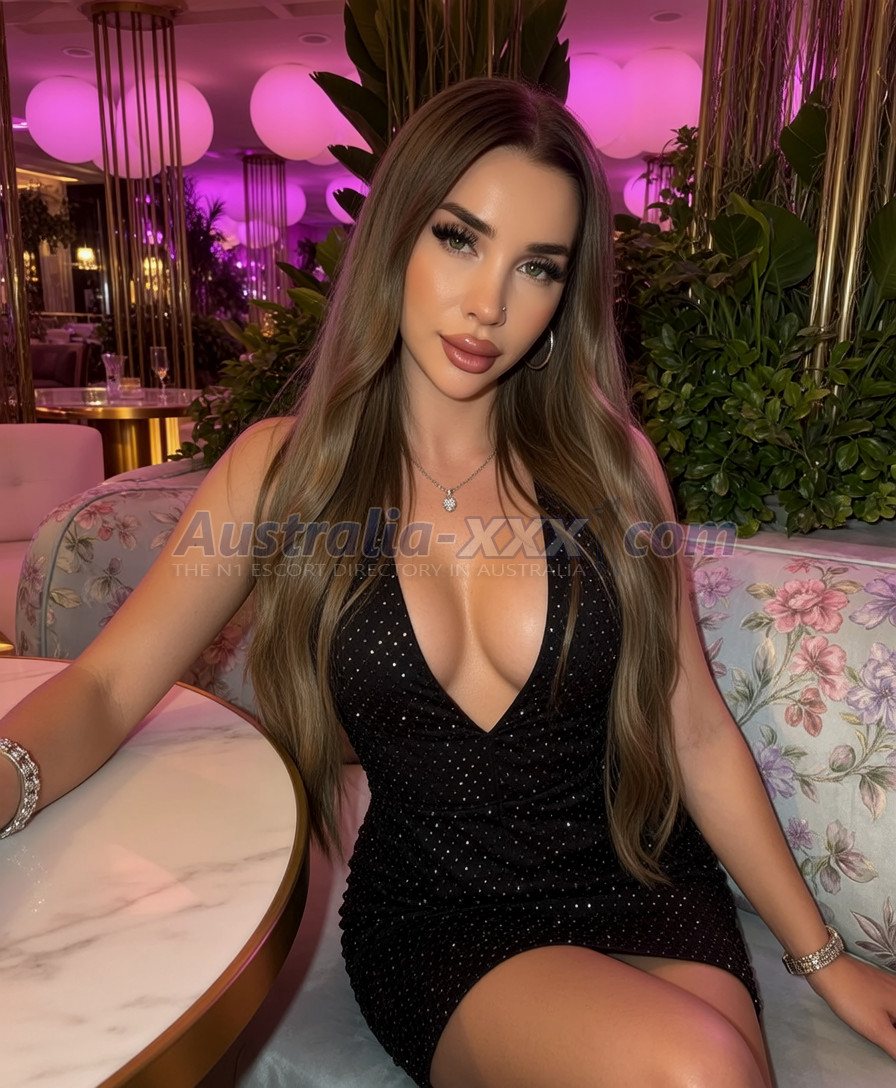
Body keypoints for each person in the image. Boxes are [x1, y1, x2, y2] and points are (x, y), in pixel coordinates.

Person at [2, 78, 895, 1088]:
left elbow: (692, 727)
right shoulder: (283, 474)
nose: (489, 305)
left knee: (716, 1071)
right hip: (442, 917)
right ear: (396, 235)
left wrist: (823, 960)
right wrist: (9, 776)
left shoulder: (614, 470)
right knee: (700, 1070)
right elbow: (108, 684)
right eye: (459, 238)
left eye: (537, 266)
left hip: (641, 880)